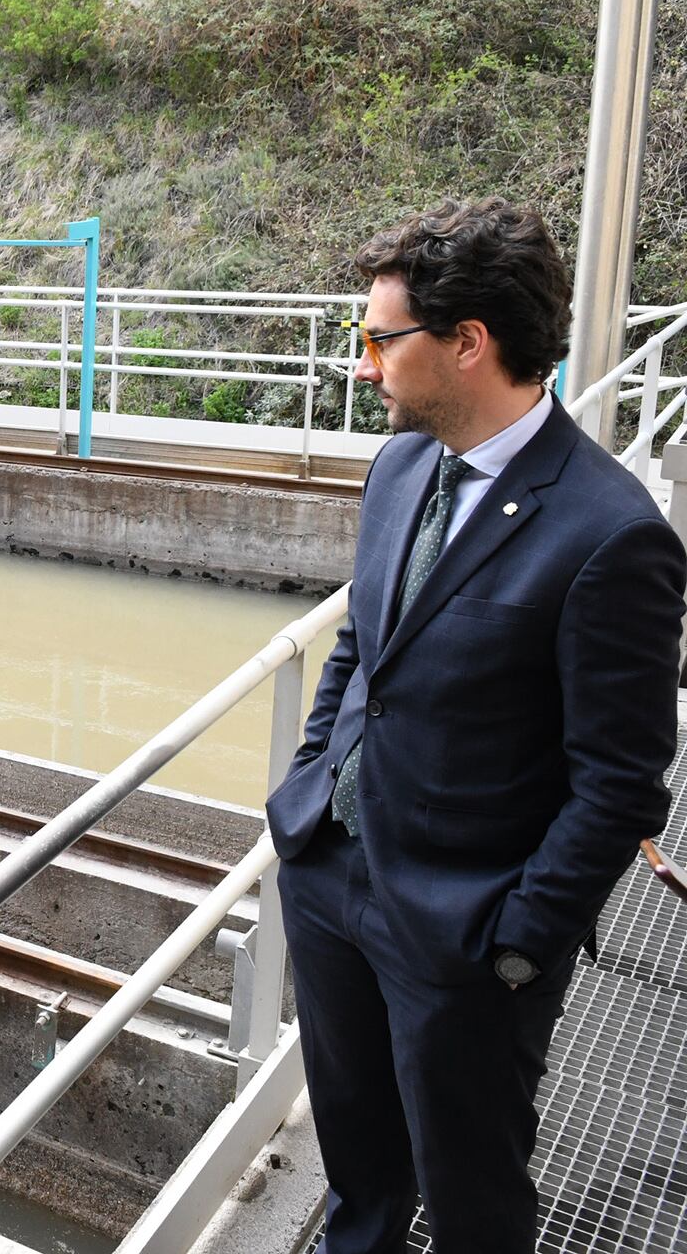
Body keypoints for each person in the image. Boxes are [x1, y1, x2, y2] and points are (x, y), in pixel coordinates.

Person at [266, 198, 686, 1252]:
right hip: (333, 877)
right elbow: (364, 647)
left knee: (470, 1199)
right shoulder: (400, 466)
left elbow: (621, 785)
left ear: (466, 343)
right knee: (356, 1173)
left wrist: (516, 945)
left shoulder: (608, 535)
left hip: (465, 933)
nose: (362, 364)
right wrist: (311, 785)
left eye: (379, 339)